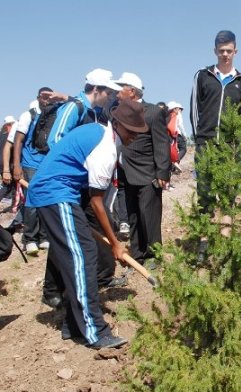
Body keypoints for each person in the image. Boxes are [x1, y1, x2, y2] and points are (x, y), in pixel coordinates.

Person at [26, 100, 148, 349]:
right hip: (56, 193)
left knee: (79, 256)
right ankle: (95, 331)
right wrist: (115, 244)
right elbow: (97, 203)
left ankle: (73, 325)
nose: (135, 137)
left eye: (139, 132)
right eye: (132, 131)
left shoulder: (98, 131)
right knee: (82, 257)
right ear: (119, 125)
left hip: (61, 192)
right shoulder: (106, 149)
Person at [41, 69, 125, 308]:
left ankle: (100, 277)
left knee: (95, 226)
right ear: (96, 90)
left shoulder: (93, 112)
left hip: (84, 185)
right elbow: (55, 142)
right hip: (65, 184)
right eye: (108, 92)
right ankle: (52, 290)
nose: (110, 96)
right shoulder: (74, 108)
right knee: (66, 237)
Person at [115, 72, 171, 267]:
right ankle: (138, 253)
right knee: (133, 215)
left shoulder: (153, 112)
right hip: (126, 172)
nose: (116, 92)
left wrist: (163, 172)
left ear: (131, 91)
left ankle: (154, 255)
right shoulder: (119, 112)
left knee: (149, 216)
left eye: (120, 88)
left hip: (148, 173)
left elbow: (162, 143)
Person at [190, 30, 241, 214]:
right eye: (221, 50)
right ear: (215, 51)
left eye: (229, 51)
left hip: (228, 146)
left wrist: (236, 146)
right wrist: (199, 139)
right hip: (205, 143)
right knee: (205, 192)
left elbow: (240, 115)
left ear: (235, 52)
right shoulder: (202, 76)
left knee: (228, 192)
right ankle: (205, 237)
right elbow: (194, 109)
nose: (225, 54)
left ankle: (225, 234)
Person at [12, 87, 54, 255]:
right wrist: (16, 165)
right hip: (30, 163)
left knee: (47, 200)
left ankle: (44, 237)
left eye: (50, 98)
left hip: (47, 164)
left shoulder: (53, 116)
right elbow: (18, 140)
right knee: (32, 201)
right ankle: (30, 239)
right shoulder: (28, 115)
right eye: (44, 97)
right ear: (38, 97)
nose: (47, 101)